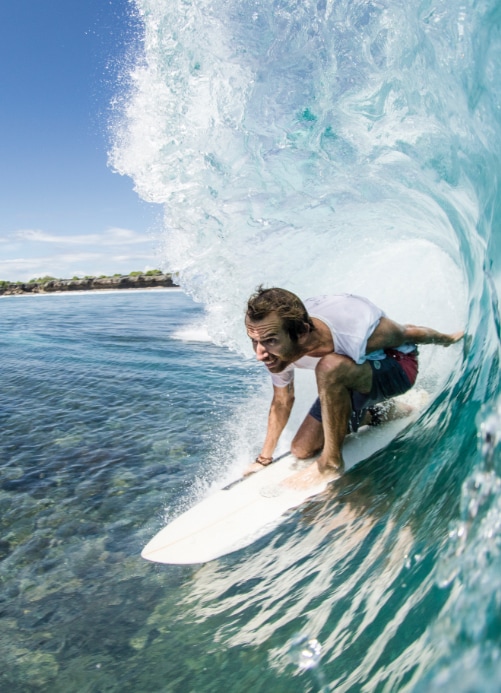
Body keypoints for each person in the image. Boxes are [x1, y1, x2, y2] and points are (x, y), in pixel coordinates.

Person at [244, 287, 464, 489]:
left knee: (329, 367)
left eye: (270, 341)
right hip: (351, 376)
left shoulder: (350, 328)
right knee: (301, 449)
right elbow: (282, 400)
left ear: (302, 332)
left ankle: (330, 463)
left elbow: (407, 333)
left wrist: (448, 339)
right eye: (255, 341)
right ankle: (377, 413)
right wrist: (263, 460)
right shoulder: (276, 345)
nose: (259, 354)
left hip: (398, 366)